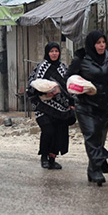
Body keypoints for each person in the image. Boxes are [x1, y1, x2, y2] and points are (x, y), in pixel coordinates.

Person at [69, 30, 108, 186]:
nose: (101, 45)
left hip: (103, 105)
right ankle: (97, 171)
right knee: (91, 136)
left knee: (99, 140)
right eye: (98, 43)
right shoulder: (81, 59)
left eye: (103, 42)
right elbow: (68, 79)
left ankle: (92, 167)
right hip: (85, 105)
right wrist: (81, 89)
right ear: (92, 44)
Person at [27, 41, 75, 171]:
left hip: (61, 109)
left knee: (59, 133)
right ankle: (44, 157)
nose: (54, 54)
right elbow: (32, 85)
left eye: (56, 51)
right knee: (48, 131)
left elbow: (69, 87)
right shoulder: (41, 68)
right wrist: (45, 91)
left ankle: (52, 159)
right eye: (51, 51)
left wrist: (71, 104)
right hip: (43, 107)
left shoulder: (63, 68)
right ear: (47, 53)